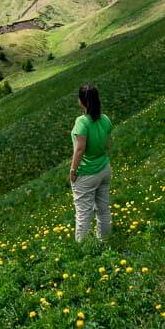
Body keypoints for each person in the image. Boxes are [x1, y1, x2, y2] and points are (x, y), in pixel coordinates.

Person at [69, 84, 113, 241]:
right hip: (104, 169)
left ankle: (83, 252)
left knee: (83, 214)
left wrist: (73, 171)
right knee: (103, 209)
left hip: (87, 173)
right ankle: (105, 241)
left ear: (81, 101)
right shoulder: (105, 119)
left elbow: (80, 149)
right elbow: (107, 146)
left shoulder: (82, 122)